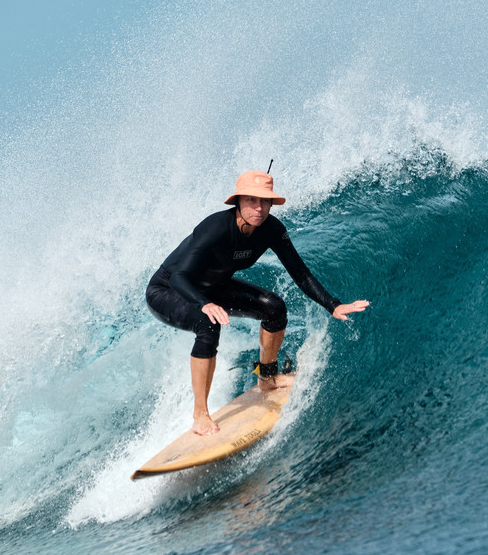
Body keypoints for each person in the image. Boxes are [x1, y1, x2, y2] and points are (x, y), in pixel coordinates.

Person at [146, 170, 369, 435]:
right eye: (252, 200)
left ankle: (267, 377)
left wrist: (332, 304)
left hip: (213, 288)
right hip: (169, 290)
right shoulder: (215, 227)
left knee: (274, 308)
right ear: (238, 201)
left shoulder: (272, 230)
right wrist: (204, 303)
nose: (259, 208)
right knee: (207, 323)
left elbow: (300, 272)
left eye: (265, 201)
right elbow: (179, 277)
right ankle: (200, 415)